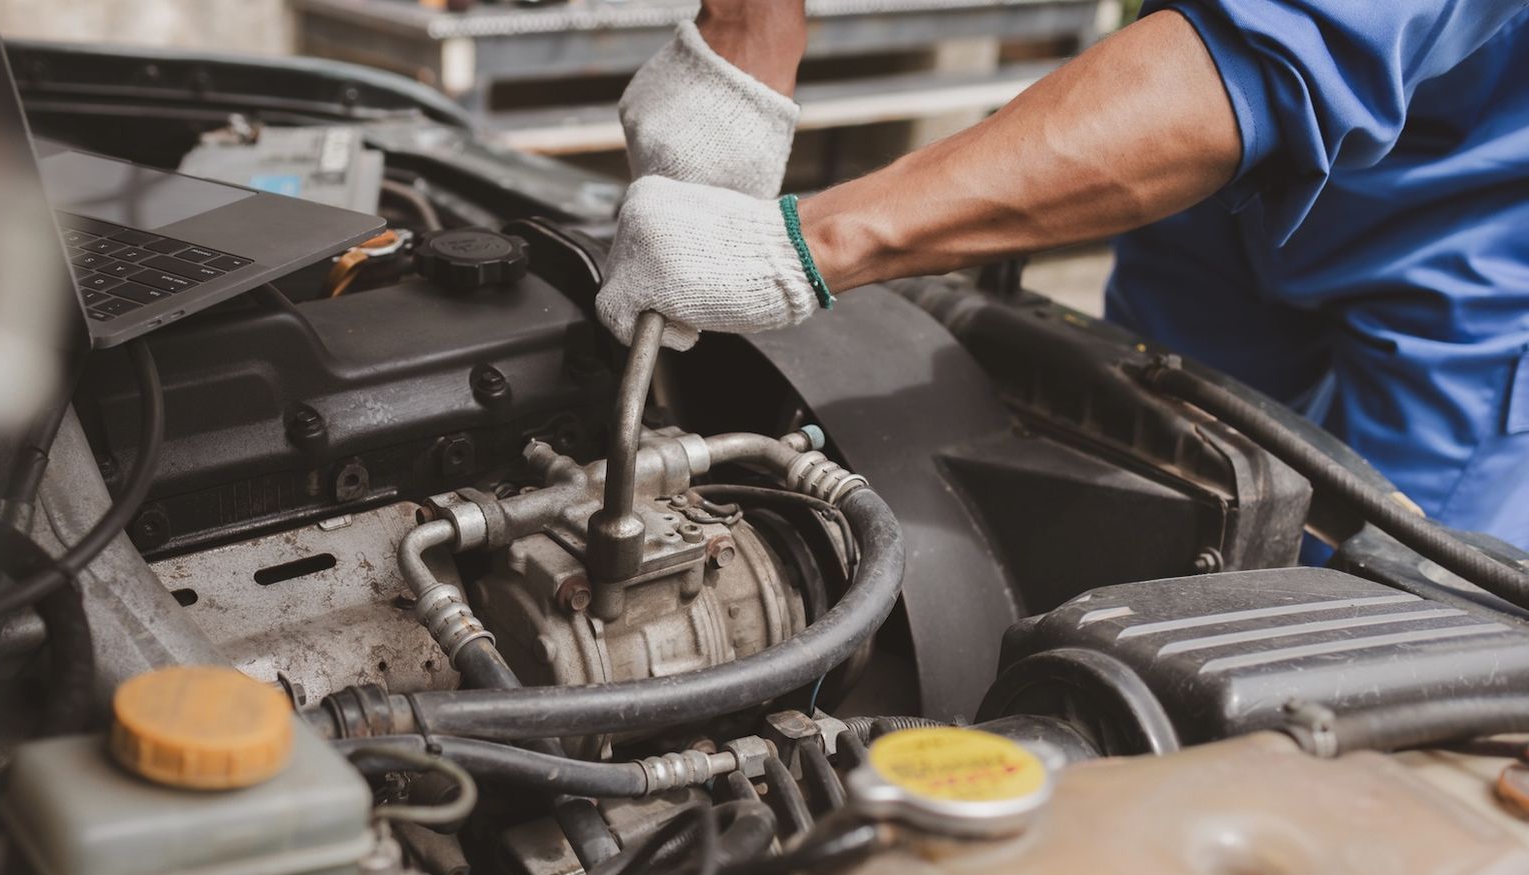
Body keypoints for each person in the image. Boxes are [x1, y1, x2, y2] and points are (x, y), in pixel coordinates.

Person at [597, 1, 1529, 549]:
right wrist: (744, 47)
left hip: (1460, 227)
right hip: (1214, 197)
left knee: (1383, 604)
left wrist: (813, 244)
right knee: (1165, 513)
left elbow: (1277, 56)